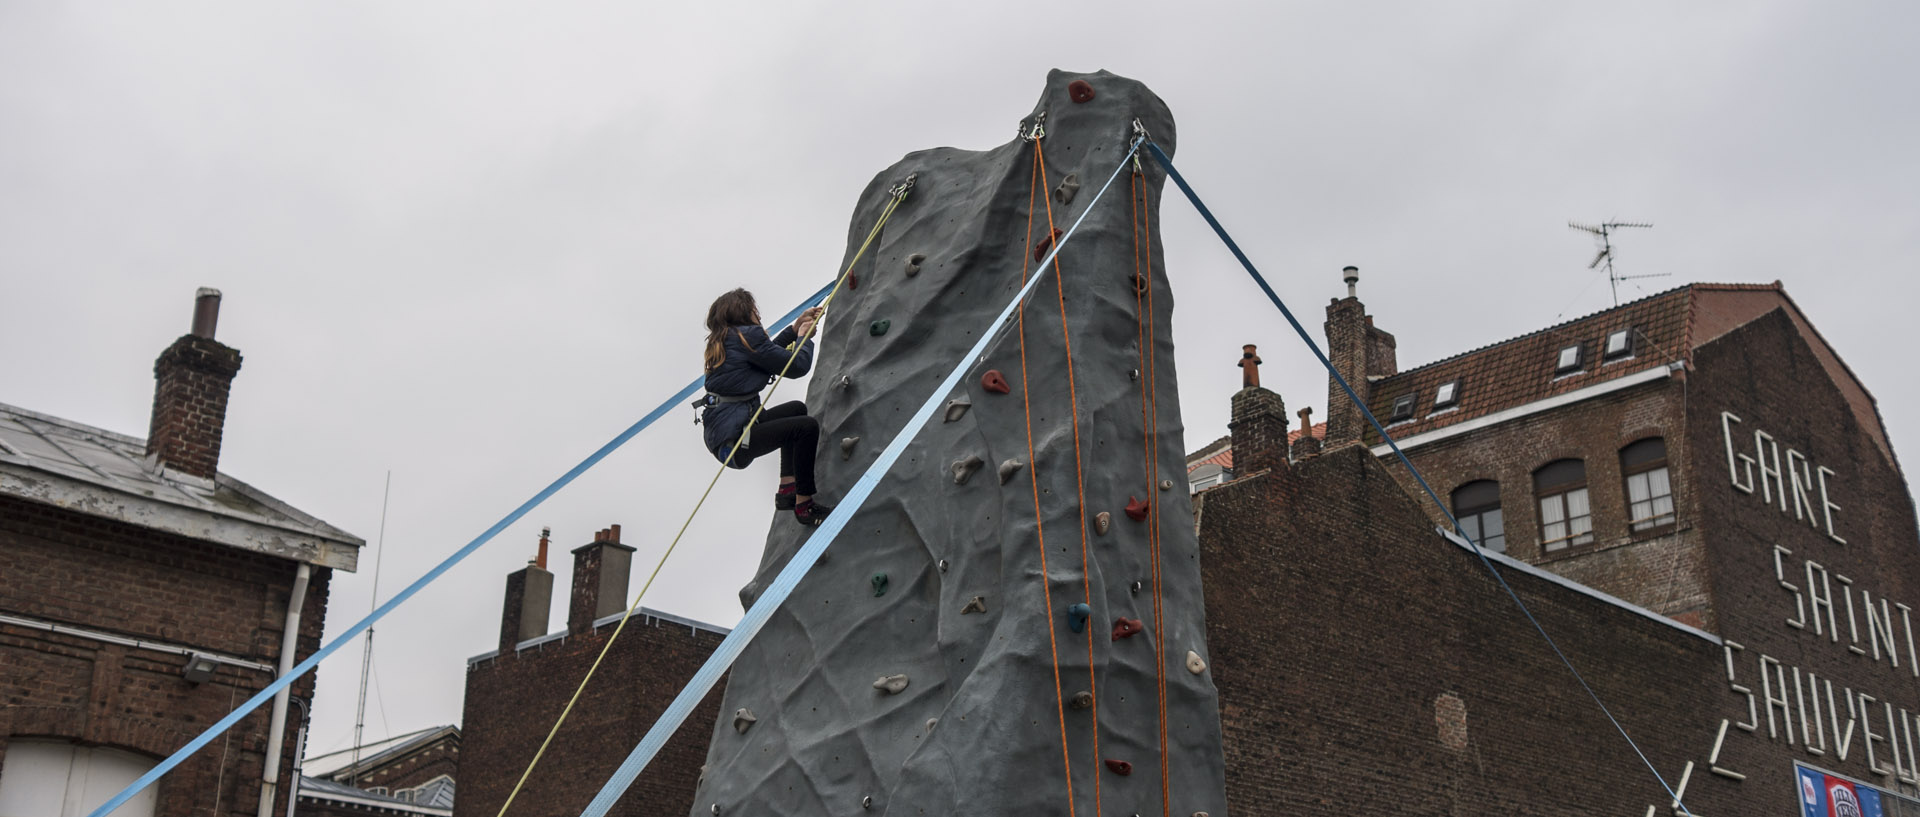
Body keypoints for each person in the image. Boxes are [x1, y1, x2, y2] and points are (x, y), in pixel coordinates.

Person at [699, 288, 832, 526]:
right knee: (806, 427)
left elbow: (766, 354)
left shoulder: (728, 340)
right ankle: (804, 505)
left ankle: (787, 489)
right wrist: (803, 338)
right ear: (745, 312)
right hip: (735, 440)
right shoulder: (746, 338)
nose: (758, 316)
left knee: (796, 410)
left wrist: (794, 329)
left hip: (727, 435)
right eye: (754, 311)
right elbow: (797, 366)